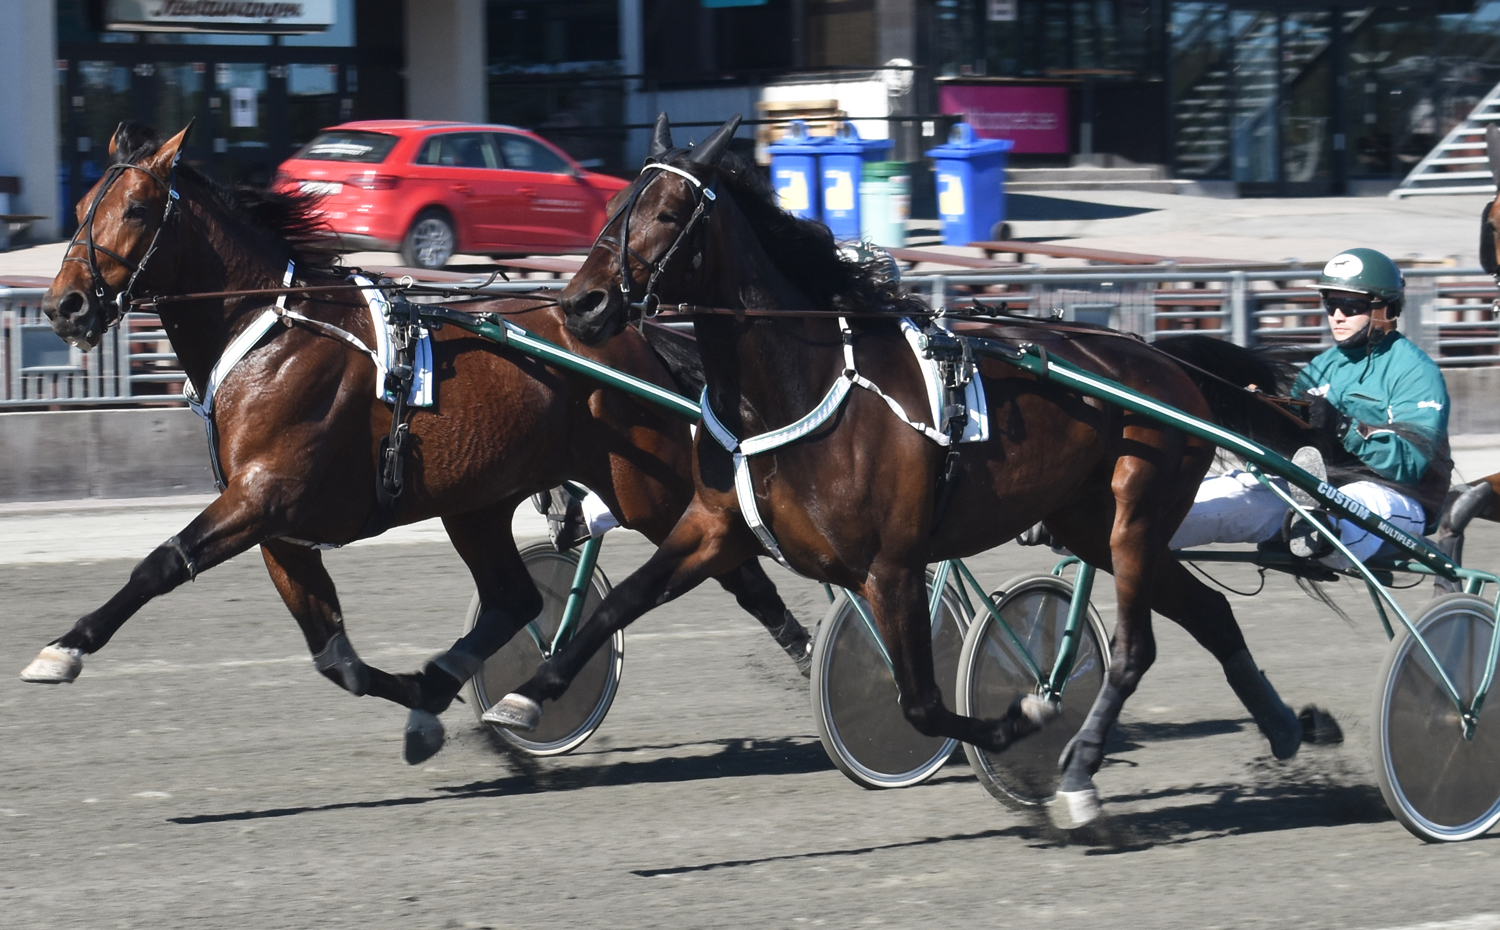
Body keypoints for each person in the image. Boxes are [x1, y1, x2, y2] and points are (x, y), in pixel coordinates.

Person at [1168, 247, 1452, 567]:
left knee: (1350, 507)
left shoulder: (1415, 371)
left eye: (1350, 305)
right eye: (1331, 304)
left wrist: (1344, 427)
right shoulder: (1321, 368)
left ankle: (1317, 528)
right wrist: (1258, 419)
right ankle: (1126, 519)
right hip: (1317, 488)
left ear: (1386, 307)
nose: (1337, 316)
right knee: (1198, 506)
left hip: (1395, 496)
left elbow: (1410, 465)